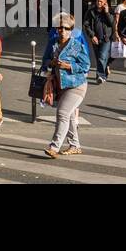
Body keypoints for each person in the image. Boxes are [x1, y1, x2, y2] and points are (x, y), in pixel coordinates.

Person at [41, 12, 91, 157]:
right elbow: (44, 60)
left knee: (62, 113)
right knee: (68, 116)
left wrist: (69, 66)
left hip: (76, 85)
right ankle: (75, 145)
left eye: (66, 28)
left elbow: (86, 65)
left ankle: (54, 147)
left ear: (71, 30)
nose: (62, 31)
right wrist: (51, 63)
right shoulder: (53, 43)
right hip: (60, 85)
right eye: (59, 28)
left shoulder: (76, 45)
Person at [85, 0, 115, 84]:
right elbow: (86, 25)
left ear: (105, 3)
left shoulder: (109, 11)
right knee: (99, 57)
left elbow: (112, 23)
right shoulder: (91, 12)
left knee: (102, 57)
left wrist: (106, 12)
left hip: (106, 39)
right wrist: (92, 36)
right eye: (98, 0)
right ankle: (104, 73)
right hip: (95, 39)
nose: (99, 2)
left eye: (101, 1)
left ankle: (100, 76)